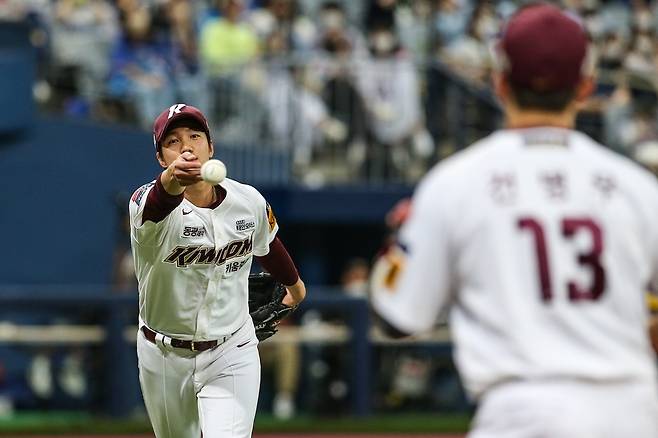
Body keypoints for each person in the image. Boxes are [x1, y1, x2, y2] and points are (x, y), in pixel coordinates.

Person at [371, 4, 658, 437]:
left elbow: (397, 318)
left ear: (500, 81)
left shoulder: (455, 183)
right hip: (630, 410)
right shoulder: (635, 186)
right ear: (585, 86)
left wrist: (397, 239)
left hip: (521, 410)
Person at [128, 103, 306, 438]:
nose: (186, 147)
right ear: (161, 159)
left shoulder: (248, 200)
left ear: (211, 147)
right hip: (164, 354)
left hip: (232, 349)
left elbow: (266, 244)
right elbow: (158, 203)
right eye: (173, 141)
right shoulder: (146, 205)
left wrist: (296, 289)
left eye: (195, 136)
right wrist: (170, 179)